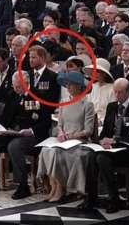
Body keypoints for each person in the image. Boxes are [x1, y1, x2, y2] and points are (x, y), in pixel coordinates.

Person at [0, 69, 53, 200]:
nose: (16, 89)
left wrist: (31, 131)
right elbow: (6, 117)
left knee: (14, 146)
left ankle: (23, 185)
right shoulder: (12, 94)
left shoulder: (40, 95)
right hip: (13, 132)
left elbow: (46, 122)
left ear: (27, 83)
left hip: (32, 136)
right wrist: (1, 128)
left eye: (19, 86)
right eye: (15, 86)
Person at [79, 78, 129, 212]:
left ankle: (114, 198)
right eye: (115, 92)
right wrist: (102, 140)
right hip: (110, 148)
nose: (117, 95)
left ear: (128, 92)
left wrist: (116, 141)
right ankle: (90, 197)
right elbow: (105, 131)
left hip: (128, 150)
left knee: (101, 158)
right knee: (91, 155)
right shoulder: (112, 107)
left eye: (120, 92)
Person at [36, 72, 95, 202]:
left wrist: (71, 136)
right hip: (63, 140)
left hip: (79, 142)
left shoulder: (87, 104)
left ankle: (61, 188)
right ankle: (54, 186)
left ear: (79, 86)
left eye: (71, 84)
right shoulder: (64, 103)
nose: (68, 87)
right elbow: (59, 125)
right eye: (67, 84)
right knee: (46, 150)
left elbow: (88, 130)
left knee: (57, 152)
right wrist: (61, 133)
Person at [83, 58, 116, 126]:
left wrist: (101, 122)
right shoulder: (91, 87)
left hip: (105, 125)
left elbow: (112, 111)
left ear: (104, 74)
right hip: (88, 123)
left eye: (97, 71)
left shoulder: (112, 89)